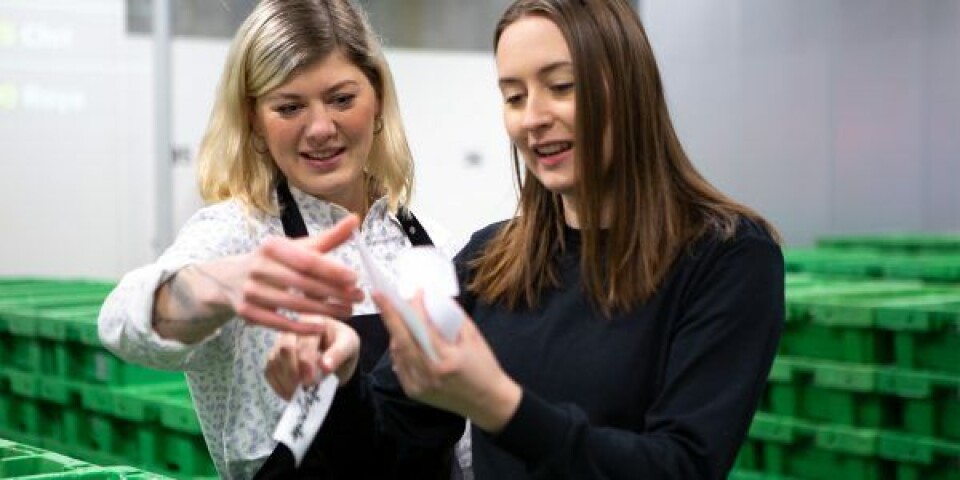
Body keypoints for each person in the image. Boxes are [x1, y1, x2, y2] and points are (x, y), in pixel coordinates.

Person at [263, 0, 784, 479]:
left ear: (629, 87)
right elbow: (387, 451)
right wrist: (342, 380)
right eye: (514, 96)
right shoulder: (490, 262)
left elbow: (682, 467)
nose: (533, 117)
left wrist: (501, 407)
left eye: (562, 87)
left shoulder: (727, 257)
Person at [97, 0, 458, 478]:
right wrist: (219, 287)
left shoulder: (429, 241)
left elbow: (463, 432)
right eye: (289, 107)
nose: (321, 128)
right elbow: (120, 325)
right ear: (255, 123)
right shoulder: (237, 234)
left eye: (342, 99)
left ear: (378, 102)